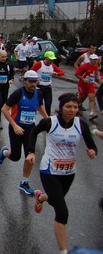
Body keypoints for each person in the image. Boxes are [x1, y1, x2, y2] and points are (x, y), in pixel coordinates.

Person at [27, 93, 97, 254]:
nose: (72, 110)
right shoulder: (49, 122)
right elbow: (33, 132)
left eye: (75, 107)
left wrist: (92, 151)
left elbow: (91, 145)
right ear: (61, 108)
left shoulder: (81, 124)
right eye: (68, 107)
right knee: (62, 212)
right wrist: (31, 152)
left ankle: (41, 197)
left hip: (69, 172)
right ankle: (63, 251)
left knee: (54, 200)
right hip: (49, 170)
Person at [0, 70, 48, 195]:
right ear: (25, 81)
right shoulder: (18, 93)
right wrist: (14, 125)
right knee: (15, 157)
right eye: (30, 82)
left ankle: (24, 183)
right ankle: (5, 153)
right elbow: (4, 109)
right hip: (16, 128)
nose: (32, 84)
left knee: (30, 158)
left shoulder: (39, 94)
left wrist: (48, 121)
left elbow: (40, 107)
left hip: (31, 129)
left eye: (35, 82)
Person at [31, 51, 65, 116]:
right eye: (50, 60)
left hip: (48, 88)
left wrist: (57, 74)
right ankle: (33, 116)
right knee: (37, 104)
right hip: (39, 87)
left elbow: (62, 72)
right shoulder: (39, 64)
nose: (51, 61)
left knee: (48, 104)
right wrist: (35, 80)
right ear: (45, 58)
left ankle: (47, 118)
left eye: (52, 60)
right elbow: (31, 72)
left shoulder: (52, 65)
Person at [75, 54, 101, 120]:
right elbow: (76, 74)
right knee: (82, 98)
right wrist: (83, 79)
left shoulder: (96, 67)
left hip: (90, 84)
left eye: (96, 60)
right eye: (94, 60)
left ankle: (91, 113)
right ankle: (75, 106)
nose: (95, 61)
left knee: (92, 97)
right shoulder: (84, 66)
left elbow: (95, 75)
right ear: (90, 59)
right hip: (82, 84)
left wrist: (96, 81)